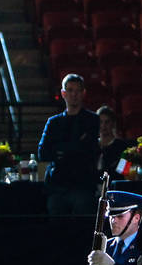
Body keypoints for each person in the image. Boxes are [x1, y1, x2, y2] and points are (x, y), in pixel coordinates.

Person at [38, 73, 100, 214]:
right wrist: (72, 148)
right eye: (70, 90)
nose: (74, 95)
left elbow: (89, 151)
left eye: (77, 91)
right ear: (63, 93)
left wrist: (60, 150)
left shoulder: (92, 120)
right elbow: (43, 152)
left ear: (83, 93)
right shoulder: (54, 122)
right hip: (58, 185)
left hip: (82, 184)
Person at [96, 105, 130, 181]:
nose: (103, 126)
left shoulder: (123, 147)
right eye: (100, 122)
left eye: (107, 122)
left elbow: (124, 171)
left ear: (113, 124)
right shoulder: (92, 145)